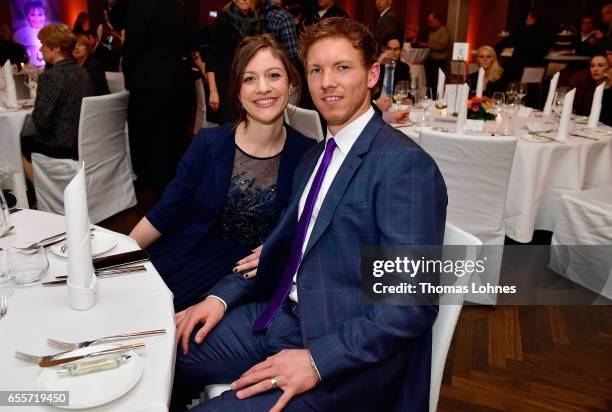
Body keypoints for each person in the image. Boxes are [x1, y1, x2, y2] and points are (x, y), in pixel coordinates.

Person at [171, 17, 447, 411]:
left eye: (342, 68)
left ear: (372, 75)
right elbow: (277, 249)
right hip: (280, 318)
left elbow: (411, 305)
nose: (327, 82)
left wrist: (318, 361)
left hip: (343, 359)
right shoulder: (315, 156)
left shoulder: (406, 166)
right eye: (317, 69)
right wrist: (217, 297)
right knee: (160, 351)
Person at [129, 34, 314, 312]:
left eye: (274, 75)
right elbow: (165, 212)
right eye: (249, 79)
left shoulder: (307, 153)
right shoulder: (209, 143)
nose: (263, 88)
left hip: (244, 280)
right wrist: (118, 256)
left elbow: (302, 229)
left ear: (291, 83)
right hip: (186, 259)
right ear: (237, 90)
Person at [109, 0, 195, 197]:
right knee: (172, 130)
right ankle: (174, 177)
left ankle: (150, 180)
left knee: (145, 131)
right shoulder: (177, 5)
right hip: (173, 76)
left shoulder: (133, 4)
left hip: (144, 78)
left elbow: (115, 20)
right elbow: (188, 38)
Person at [20, 24, 94, 182]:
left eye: (43, 45)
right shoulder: (82, 71)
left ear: (56, 48)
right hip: (81, 141)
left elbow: (41, 121)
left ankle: (40, 195)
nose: (40, 49)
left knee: (18, 143)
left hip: (60, 146)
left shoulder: (52, 75)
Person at [207, 0, 261, 125]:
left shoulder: (255, 18)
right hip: (226, 82)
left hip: (247, 79)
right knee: (230, 125)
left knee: (248, 123)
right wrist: (213, 91)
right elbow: (211, 57)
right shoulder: (223, 19)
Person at [372, 33, 410, 111]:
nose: (392, 52)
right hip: (376, 105)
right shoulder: (376, 65)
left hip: (395, 106)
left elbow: (406, 92)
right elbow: (367, 84)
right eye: (389, 48)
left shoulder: (404, 68)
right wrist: (378, 63)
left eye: (396, 49)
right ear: (383, 49)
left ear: (400, 51)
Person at [259, 0, 299, 66]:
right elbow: (293, 55)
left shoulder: (259, 12)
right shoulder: (284, 17)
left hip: (264, 63)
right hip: (282, 67)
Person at [13, 1, 49, 66]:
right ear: (27, 16)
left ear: (45, 16)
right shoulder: (19, 34)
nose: (36, 18)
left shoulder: (52, 33)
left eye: (40, 14)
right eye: (33, 14)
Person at [425, 11, 450, 90]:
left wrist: (428, 45)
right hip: (431, 61)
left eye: (431, 22)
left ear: (437, 20)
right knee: (430, 83)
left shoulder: (444, 31)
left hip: (439, 62)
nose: (429, 24)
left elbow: (442, 45)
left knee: (437, 83)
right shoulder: (432, 31)